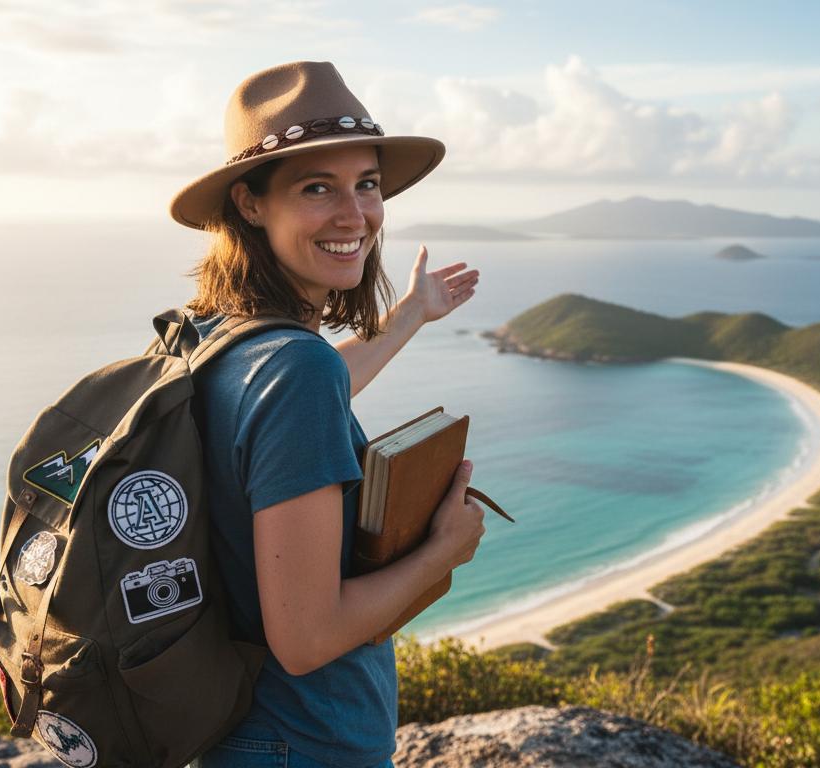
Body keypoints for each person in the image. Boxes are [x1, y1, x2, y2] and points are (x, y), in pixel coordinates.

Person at [170, 61, 487, 768]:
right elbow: (307, 640)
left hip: (237, 739)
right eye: (317, 188)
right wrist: (444, 552)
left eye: (367, 184)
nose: (355, 215)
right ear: (251, 204)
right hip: (305, 745)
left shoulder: (219, 338)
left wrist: (411, 313)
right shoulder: (296, 369)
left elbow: (306, 394)